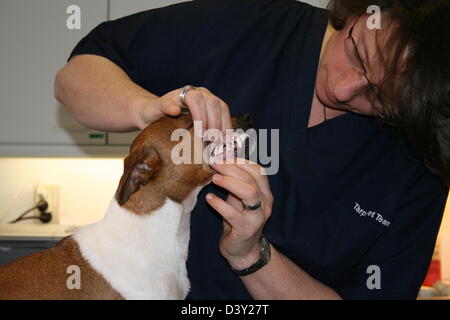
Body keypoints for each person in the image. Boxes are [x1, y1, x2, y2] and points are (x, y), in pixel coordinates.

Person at [54, 0, 450, 299]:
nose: (344, 90)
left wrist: (250, 254)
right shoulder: (247, 26)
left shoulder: (419, 156)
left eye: (380, 96)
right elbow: (76, 77)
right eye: (357, 53)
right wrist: (146, 108)